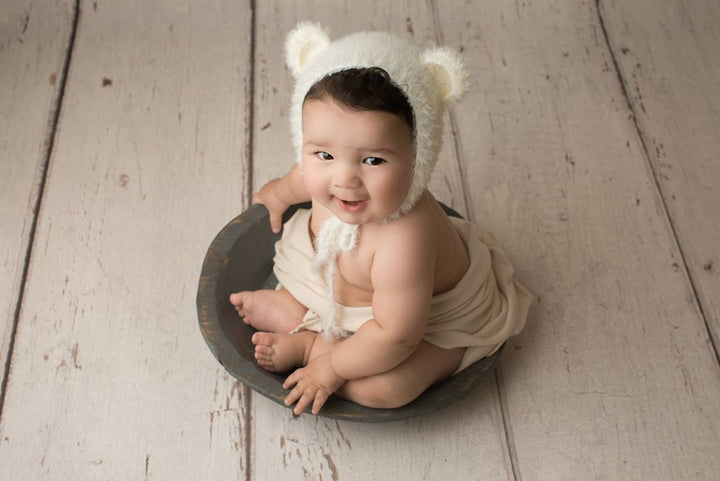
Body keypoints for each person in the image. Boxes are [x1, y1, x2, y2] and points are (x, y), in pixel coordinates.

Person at [229, 23, 532, 416]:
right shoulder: (322, 174)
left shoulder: (406, 239)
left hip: (424, 323)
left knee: (387, 388)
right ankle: (312, 320)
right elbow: (291, 185)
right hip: (351, 289)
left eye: (374, 160)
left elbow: (395, 335)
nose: (344, 179)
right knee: (306, 249)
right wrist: (273, 197)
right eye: (323, 155)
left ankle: (312, 344)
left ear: (417, 158)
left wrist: (330, 368)